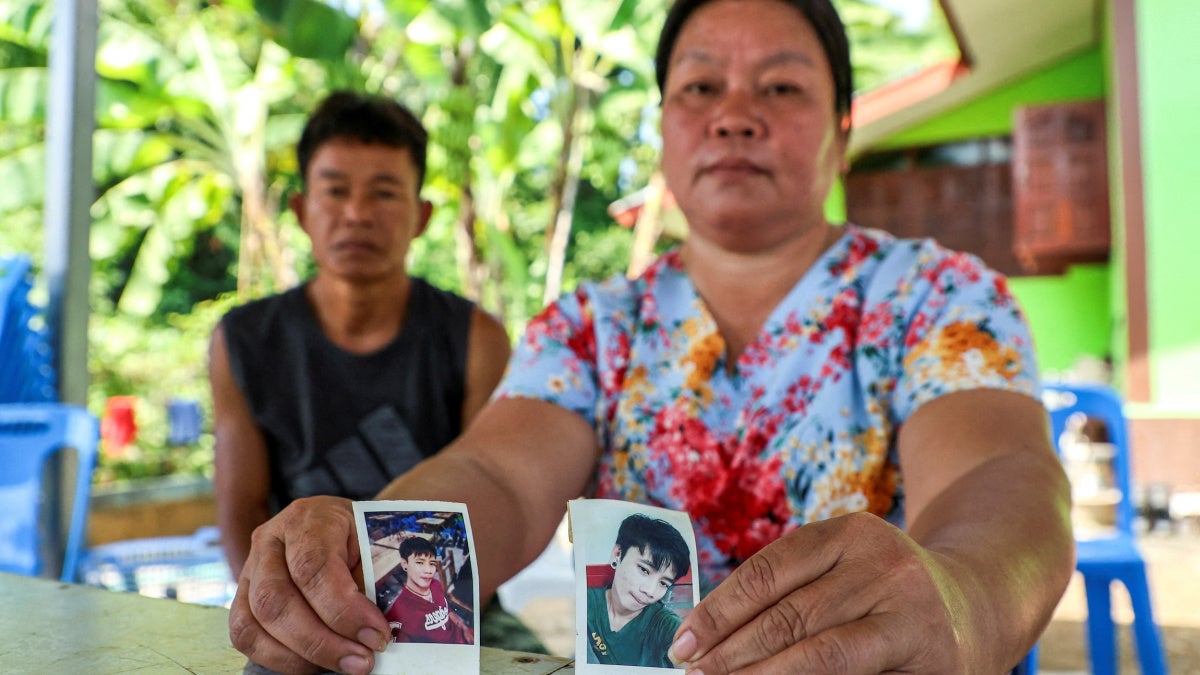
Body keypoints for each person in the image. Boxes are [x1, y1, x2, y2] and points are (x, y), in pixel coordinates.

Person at [227, 1, 1076, 674]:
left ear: (844, 130)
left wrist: (958, 600)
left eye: (781, 88)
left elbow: (1001, 477)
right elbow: (498, 474)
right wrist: (370, 546)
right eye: (700, 88)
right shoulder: (592, 326)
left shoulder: (940, 296)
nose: (735, 116)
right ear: (664, 127)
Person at [208, 91, 542, 652]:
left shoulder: (475, 338)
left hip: (452, 608)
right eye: (335, 191)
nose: (357, 213)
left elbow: (497, 490)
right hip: (303, 605)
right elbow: (241, 508)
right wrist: (284, 613)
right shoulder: (241, 341)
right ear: (300, 210)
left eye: (384, 193)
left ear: (422, 216)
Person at [587, 514, 691, 668]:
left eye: (663, 583)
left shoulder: (665, 625)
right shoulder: (587, 601)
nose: (650, 591)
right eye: (644, 570)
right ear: (618, 554)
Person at [383, 537, 473, 645]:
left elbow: (446, 609)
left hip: (463, 637)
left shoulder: (435, 585)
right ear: (405, 564)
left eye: (431, 563)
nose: (428, 570)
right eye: (420, 563)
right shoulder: (399, 612)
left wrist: (463, 628)